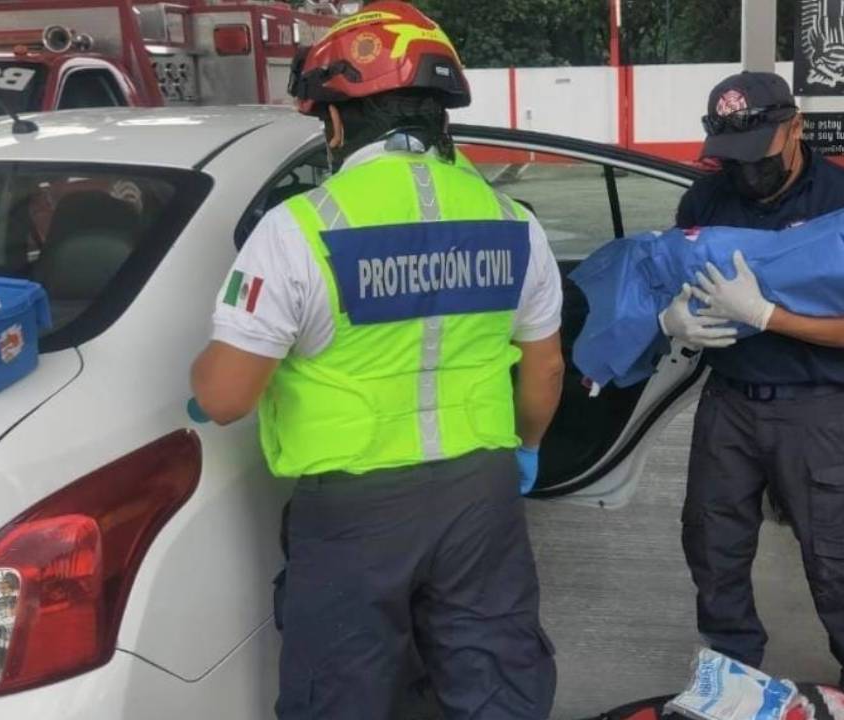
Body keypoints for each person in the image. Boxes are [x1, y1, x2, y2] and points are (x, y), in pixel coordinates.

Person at [189, 4, 563, 718]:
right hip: (481, 497)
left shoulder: (300, 229)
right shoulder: (513, 224)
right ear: (441, 118)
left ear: (334, 122)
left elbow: (226, 397)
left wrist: (200, 374)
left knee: (344, 693)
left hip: (355, 511)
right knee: (494, 685)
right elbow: (544, 370)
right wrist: (527, 449)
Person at [666, 71, 844, 719]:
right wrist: (673, 317)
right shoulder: (706, 199)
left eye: (758, 154)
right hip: (729, 399)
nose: (746, 173)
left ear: (796, 128)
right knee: (711, 542)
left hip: (812, 408)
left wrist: (767, 317)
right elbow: (677, 279)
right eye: (731, 158)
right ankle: (734, 666)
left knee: (834, 551)